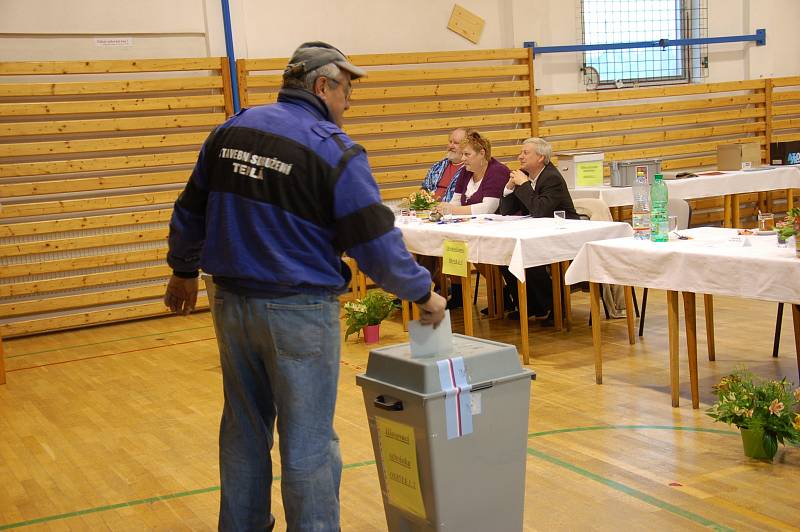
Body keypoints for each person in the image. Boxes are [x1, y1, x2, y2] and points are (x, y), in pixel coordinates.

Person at [163, 41, 446, 532]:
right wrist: (424, 292)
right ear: (321, 86)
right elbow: (376, 243)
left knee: (244, 429)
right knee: (309, 443)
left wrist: (182, 270)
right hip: (297, 312)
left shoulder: (231, 129)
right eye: (346, 90)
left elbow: (190, 209)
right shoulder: (331, 149)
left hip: (229, 304)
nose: (348, 103)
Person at [499, 137, 578, 323]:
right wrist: (509, 188)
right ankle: (532, 305)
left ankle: (553, 305)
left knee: (531, 256)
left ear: (541, 157)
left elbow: (540, 210)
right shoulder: (527, 177)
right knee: (506, 254)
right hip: (540, 231)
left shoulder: (552, 177)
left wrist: (524, 185)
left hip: (565, 232)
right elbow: (506, 211)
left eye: (526, 153)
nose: (520, 157)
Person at [439, 130, 509, 308]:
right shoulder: (466, 171)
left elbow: (488, 208)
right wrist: (445, 208)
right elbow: (455, 199)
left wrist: (453, 210)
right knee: (451, 242)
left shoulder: (497, 171)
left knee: (474, 250)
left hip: (496, 228)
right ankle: (458, 293)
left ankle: (500, 295)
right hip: (472, 225)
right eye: (462, 154)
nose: (463, 158)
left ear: (482, 153)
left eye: (467, 154)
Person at [420, 128, 467, 202]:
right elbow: (425, 188)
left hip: (451, 210)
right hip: (429, 209)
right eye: (450, 142)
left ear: (466, 146)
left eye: (456, 143)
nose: (451, 146)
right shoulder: (438, 166)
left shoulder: (469, 169)